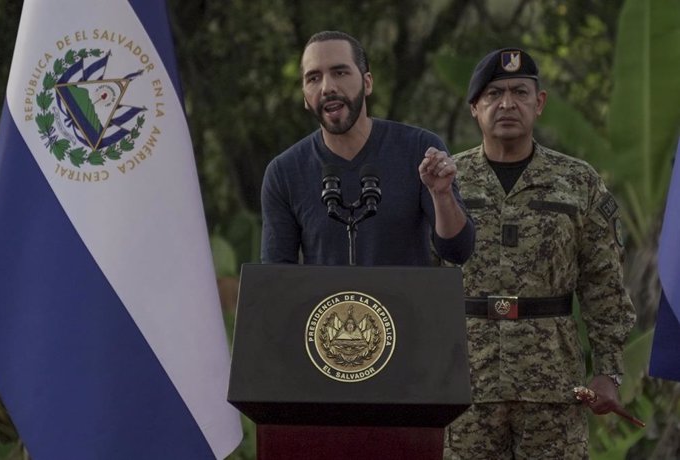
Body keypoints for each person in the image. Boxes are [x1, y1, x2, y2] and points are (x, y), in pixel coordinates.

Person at [443, 48, 637, 459]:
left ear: (540, 102)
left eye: (519, 92)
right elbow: (420, 279)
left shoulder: (578, 181)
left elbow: (604, 285)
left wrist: (608, 371)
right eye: (493, 94)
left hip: (551, 383)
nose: (507, 104)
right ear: (475, 107)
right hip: (466, 382)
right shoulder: (447, 183)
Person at [260, 30, 474, 266]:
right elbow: (275, 277)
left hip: (404, 303)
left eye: (340, 72)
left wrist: (441, 195)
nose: (327, 87)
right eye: (313, 78)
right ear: (304, 97)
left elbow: (458, 251)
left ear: (367, 82)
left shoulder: (420, 150)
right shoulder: (284, 172)